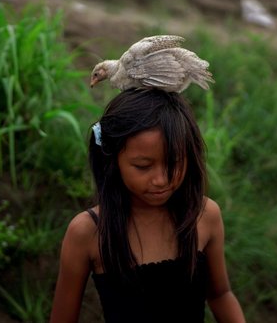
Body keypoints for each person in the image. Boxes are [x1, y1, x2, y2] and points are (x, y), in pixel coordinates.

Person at [50, 88, 246, 323]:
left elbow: (221, 294)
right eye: (143, 166)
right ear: (112, 161)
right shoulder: (88, 232)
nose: (161, 180)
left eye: (173, 162)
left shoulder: (203, 215)